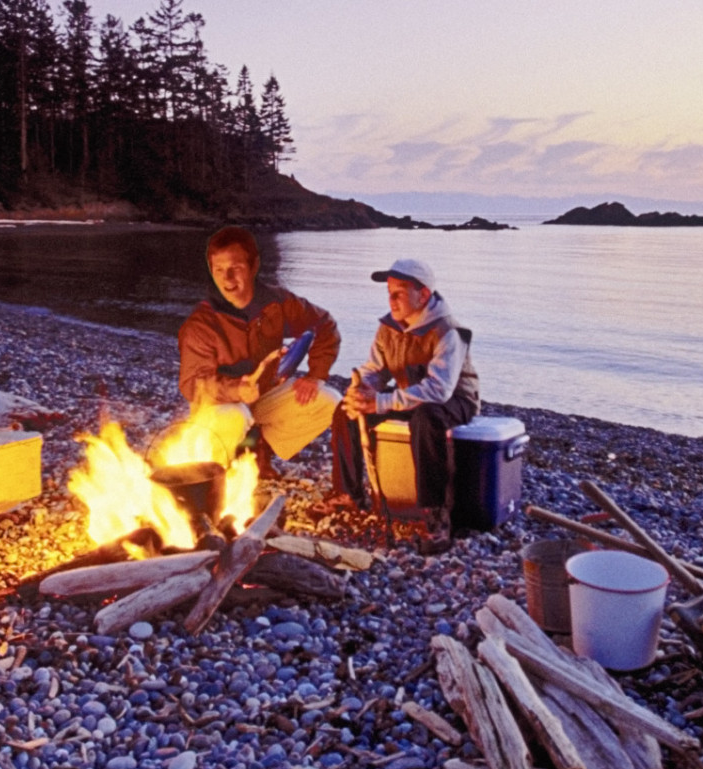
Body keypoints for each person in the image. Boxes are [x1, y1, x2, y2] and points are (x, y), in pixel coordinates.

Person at [331, 258, 480, 553]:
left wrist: (381, 402)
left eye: (399, 293)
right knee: (345, 411)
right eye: (389, 292)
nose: (391, 300)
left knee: (426, 417)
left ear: (422, 295)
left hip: (454, 400)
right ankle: (348, 494)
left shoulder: (449, 331)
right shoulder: (389, 327)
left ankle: (435, 514)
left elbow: (438, 390)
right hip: (410, 396)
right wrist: (362, 391)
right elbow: (376, 369)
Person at [178, 227, 342, 473]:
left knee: (330, 402)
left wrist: (315, 375)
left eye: (236, 268)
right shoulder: (201, 323)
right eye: (219, 270)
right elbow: (193, 384)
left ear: (253, 266)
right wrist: (236, 389)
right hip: (219, 404)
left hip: (266, 393)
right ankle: (218, 473)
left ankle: (259, 449)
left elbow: (324, 324)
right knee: (235, 417)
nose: (227, 279)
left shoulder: (277, 302)